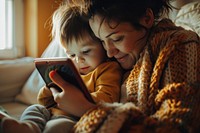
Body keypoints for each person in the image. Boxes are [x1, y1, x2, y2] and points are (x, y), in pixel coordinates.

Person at [46, 0, 199, 132]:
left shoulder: (179, 44)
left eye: (117, 39)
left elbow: (177, 125)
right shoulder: (115, 60)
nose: (110, 52)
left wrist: (85, 109)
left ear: (147, 18)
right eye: (102, 42)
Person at [0, 4, 123, 133]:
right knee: (35, 109)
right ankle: (28, 128)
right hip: (51, 112)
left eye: (86, 51)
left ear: (101, 43)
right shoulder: (70, 70)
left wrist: (76, 98)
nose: (78, 60)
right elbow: (43, 101)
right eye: (72, 54)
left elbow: (108, 99)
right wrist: (51, 87)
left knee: (57, 127)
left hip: (74, 117)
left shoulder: (107, 69)